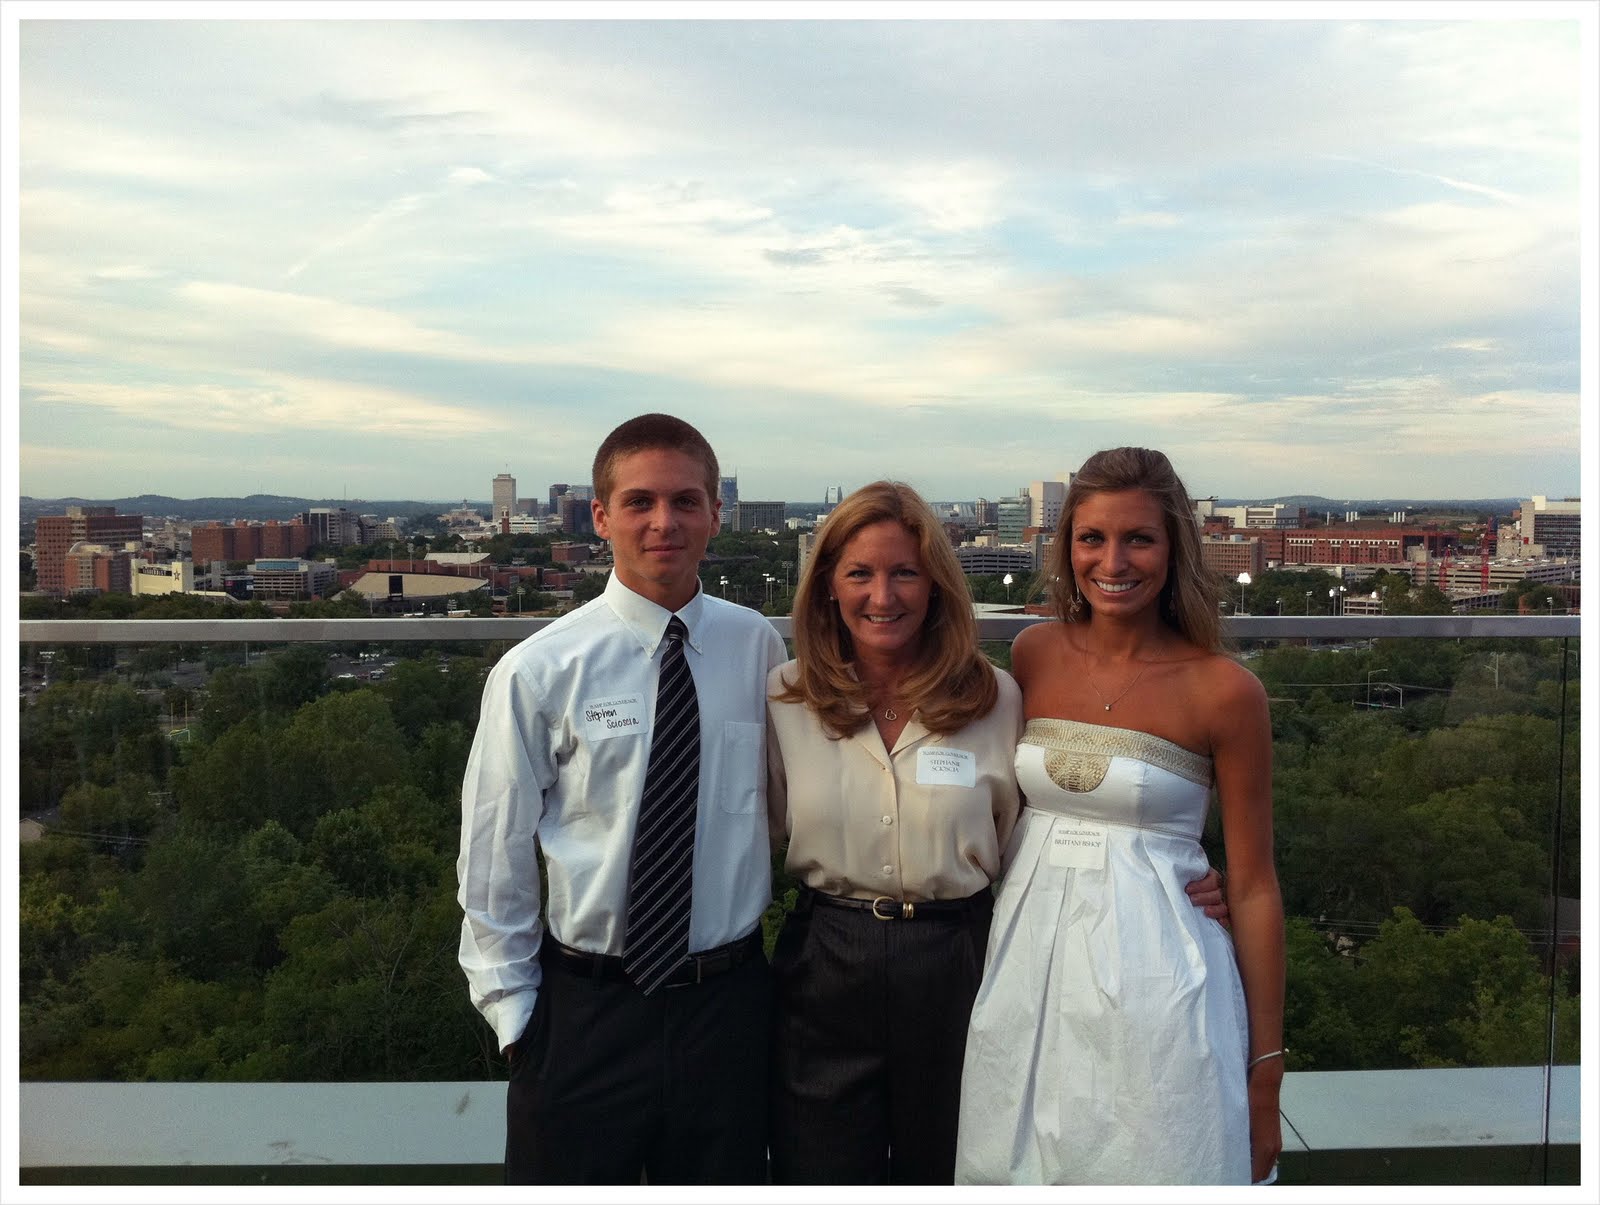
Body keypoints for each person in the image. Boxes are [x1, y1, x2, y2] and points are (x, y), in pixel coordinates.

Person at [765, 481, 1227, 1185]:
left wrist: (1169, 871)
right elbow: (753, 828)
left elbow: (1046, 818)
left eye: (905, 573)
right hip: (826, 961)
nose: (882, 596)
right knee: (818, 1169)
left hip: (962, 959)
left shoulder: (995, 697)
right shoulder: (785, 698)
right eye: (859, 572)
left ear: (937, 586)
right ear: (827, 584)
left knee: (962, 1165)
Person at [456, 414, 786, 1184]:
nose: (663, 521)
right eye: (639, 502)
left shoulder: (759, 647)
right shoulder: (538, 670)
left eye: (685, 500)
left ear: (715, 512)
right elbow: (492, 855)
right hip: (586, 1011)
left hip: (728, 1006)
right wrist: (515, 1018)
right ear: (601, 516)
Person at [954, 446, 1285, 1185]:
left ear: (1175, 549)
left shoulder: (1224, 691)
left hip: (1160, 976)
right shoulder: (1034, 652)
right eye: (1092, 537)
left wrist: (1266, 1073)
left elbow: (1258, 885)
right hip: (1027, 972)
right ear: (1066, 545)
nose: (1114, 559)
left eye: (1139, 537)